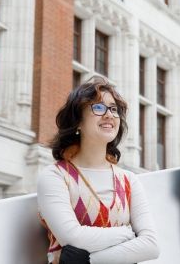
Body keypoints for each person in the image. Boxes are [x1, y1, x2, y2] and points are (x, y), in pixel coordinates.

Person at [37, 77, 159, 264]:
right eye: (98, 107)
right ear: (77, 121)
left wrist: (87, 261)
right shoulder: (56, 176)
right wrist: (127, 234)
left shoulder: (128, 180)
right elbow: (73, 238)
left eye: (113, 109)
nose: (109, 115)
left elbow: (151, 245)